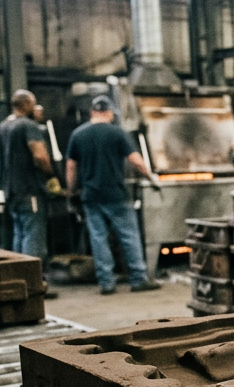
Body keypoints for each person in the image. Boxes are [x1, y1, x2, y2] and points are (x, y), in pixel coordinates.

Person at [65, 95, 162, 295]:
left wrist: (72, 190)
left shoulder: (78, 135)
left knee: (98, 238)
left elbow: (71, 166)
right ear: (109, 112)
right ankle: (138, 279)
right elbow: (136, 161)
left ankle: (106, 283)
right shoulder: (118, 133)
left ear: (92, 112)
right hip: (116, 195)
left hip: (91, 196)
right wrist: (151, 178)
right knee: (128, 236)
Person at [0, 90, 53, 260]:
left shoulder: (3, 126)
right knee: (33, 235)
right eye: (33, 103)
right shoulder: (28, 126)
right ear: (27, 105)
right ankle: (33, 278)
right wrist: (50, 174)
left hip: (11, 190)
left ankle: (20, 273)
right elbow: (40, 155)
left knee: (19, 233)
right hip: (29, 189)